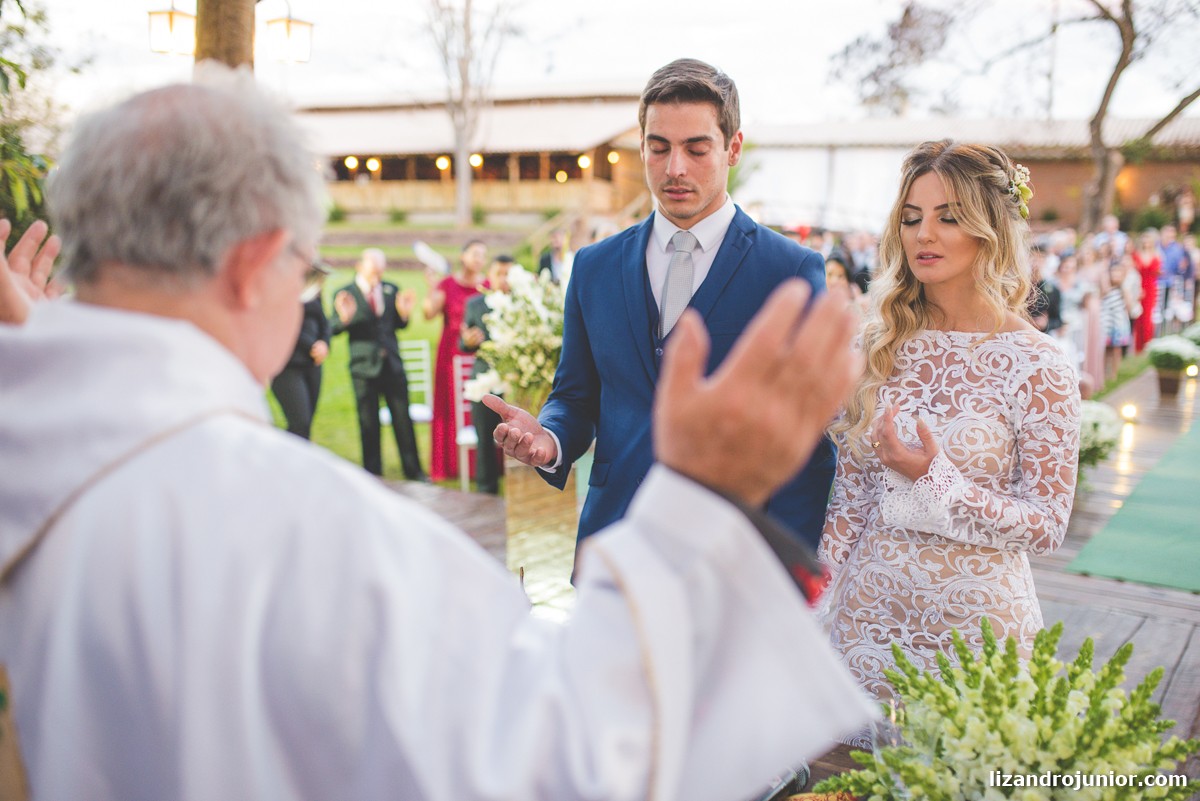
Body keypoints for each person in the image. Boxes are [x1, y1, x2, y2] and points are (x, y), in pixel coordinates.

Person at [0, 70, 876, 801]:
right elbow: (567, 753)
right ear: (254, 266)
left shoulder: (34, 442)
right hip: (634, 539)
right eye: (308, 267)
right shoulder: (319, 531)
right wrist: (706, 504)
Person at [485, 58, 835, 553]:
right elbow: (577, 395)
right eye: (658, 147)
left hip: (734, 553)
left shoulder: (791, 271)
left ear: (733, 147)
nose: (675, 169)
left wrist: (785, 576)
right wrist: (551, 440)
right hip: (613, 541)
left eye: (696, 149)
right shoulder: (593, 266)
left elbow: (809, 439)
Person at [817, 141, 1081, 744]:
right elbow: (851, 497)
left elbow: (1046, 525)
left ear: (989, 230)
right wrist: (811, 600)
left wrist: (937, 480)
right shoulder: (877, 343)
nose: (923, 234)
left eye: (948, 216)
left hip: (978, 634)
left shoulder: (1038, 365)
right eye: (911, 217)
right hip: (868, 627)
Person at [332, 248, 428, 481]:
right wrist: (345, 318)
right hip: (363, 368)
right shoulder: (345, 294)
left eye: (381, 270)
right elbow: (333, 328)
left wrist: (404, 315)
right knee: (368, 424)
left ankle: (414, 471)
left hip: (392, 366)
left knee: (403, 421)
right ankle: (373, 475)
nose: (378, 275)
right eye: (374, 269)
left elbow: (397, 324)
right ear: (360, 267)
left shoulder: (390, 288)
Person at [424, 239, 486, 481]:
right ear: (463, 256)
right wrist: (431, 287)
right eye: (474, 253)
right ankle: (450, 465)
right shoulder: (448, 283)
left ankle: (480, 465)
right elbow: (429, 313)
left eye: (482, 255)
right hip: (450, 354)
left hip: (480, 354)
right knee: (450, 406)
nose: (479, 259)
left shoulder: (487, 286)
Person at [460, 254, 514, 494]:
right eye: (498, 274)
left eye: (507, 274)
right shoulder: (475, 304)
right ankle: (486, 490)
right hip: (484, 379)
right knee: (484, 437)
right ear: (490, 276)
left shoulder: (524, 304)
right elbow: (466, 344)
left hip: (516, 378)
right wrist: (467, 341)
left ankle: (521, 485)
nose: (503, 279)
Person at [270, 277, 331, 439]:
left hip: (312, 365)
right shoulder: (279, 290)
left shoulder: (312, 291)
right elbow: (286, 325)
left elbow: (323, 322)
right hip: (288, 367)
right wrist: (312, 346)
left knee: (306, 425)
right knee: (300, 423)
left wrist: (324, 343)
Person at [1132, 230, 1160, 352]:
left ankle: (1148, 343)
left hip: (1150, 288)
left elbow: (1158, 272)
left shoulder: (1156, 255)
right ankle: (1138, 346)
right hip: (1139, 286)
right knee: (1139, 316)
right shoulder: (1135, 255)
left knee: (1148, 316)